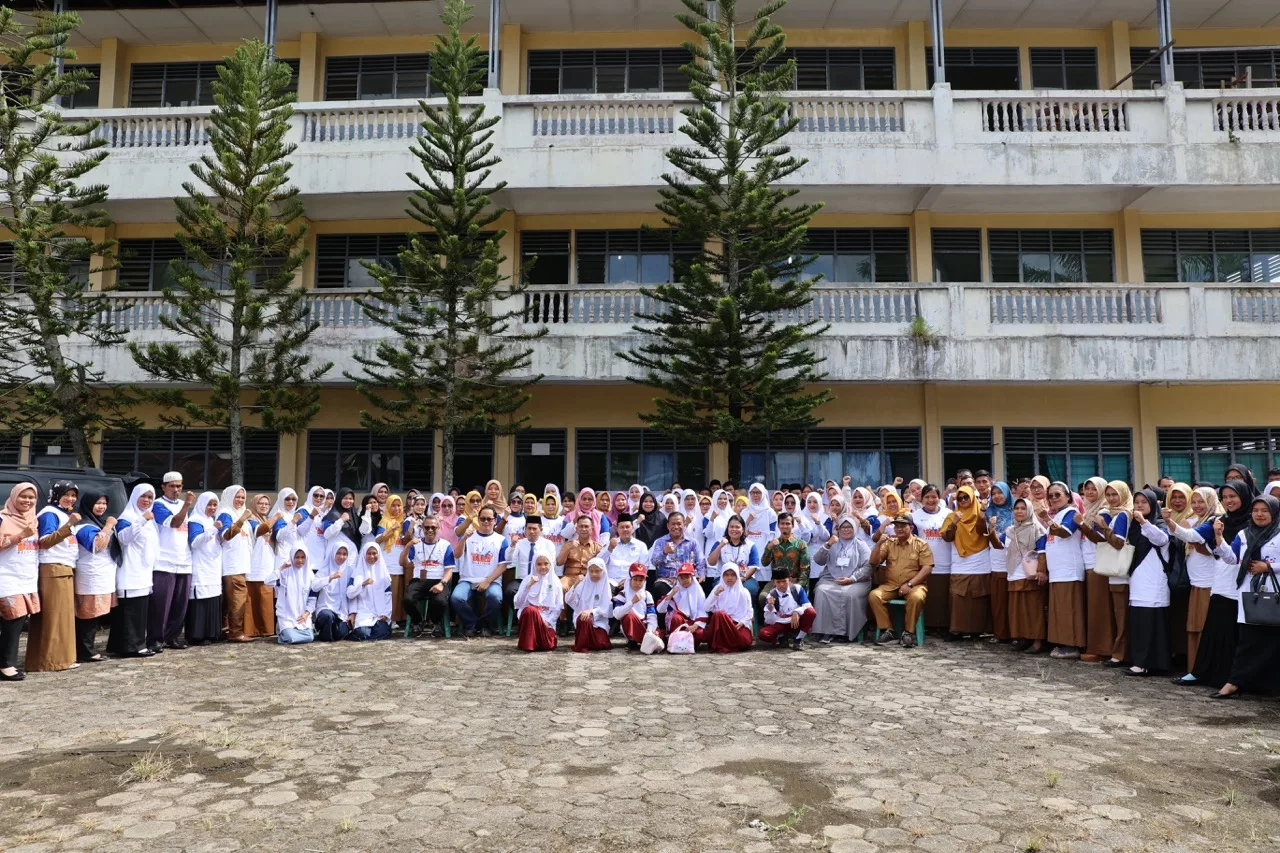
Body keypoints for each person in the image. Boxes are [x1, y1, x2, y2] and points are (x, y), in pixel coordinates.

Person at [1210, 493, 1280, 699]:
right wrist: (1219, 538)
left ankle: (1271, 687)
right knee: (1247, 640)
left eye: (1265, 510)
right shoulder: (1244, 534)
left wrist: (1269, 567)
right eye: (1256, 510)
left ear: (1274, 512)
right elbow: (1232, 559)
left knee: (1273, 642)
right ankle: (1234, 683)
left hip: (1274, 594)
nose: (1259, 514)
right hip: (1250, 594)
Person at [27, 480, 81, 673]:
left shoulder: (61, 514)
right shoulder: (50, 513)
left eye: (73, 495)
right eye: (66, 494)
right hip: (53, 568)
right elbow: (45, 541)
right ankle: (50, 661)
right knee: (54, 618)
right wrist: (69, 526)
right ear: (56, 495)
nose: (70, 498)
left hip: (63, 568)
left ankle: (61, 659)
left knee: (63, 617)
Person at [1119, 489, 1172, 676]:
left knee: (1152, 623)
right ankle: (1141, 661)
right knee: (1140, 622)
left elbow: (1162, 539)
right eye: (1137, 501)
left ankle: (1151, 663)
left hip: (1154, 581)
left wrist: (1144, 522)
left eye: (1144, 502)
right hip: (1137, 581)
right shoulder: (1133, 527)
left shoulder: (1158, 524)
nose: (1139, 505)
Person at [1036, 481, 1086, 660]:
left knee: (1069, 609)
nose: (1054, 498)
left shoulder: (1071, 512)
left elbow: (1065, 532)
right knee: (1059, 609)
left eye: (1058, 495)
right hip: (1057, 571)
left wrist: (1047, 519)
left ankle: (1072, 645)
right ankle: (1062, 642)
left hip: (1069, 570)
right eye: (1051, 496)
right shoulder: (1056, 515)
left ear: (1068, 496)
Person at [868, 513, 932, 648]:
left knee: (916, 597)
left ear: (911, 527)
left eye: (903, 526)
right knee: (874, 596)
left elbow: (927, 568)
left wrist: (910, 584)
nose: (899, 529)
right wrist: (879, 544)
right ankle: (888, 630)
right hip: (891, 585)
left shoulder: (921, 544)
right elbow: (874, 562)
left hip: (915, 584)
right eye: (896, 526)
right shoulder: (889, 543)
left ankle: (908, 633)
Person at [109, 484, 158, 659]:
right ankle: (130, 646)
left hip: (143, 571)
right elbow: (124, 538)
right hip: (129, 570)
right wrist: (142, 520)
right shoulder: (128, 517)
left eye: (150, 497)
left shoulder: (150, 519)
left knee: (140, 610)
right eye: (143, 496)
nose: (147, 500)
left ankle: (135, 643)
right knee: (129, 611)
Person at [150, 472, 196, 653]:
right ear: (163, 487)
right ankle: (155, 639)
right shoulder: (158, 505)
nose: (176, 490)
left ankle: (173, 637)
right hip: (164, 561)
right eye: (172, 486)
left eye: (179, 486)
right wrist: (187, 504)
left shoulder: (183, 506)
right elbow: (175, 523)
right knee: (161, 604)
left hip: (183, 560)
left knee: (179, 604)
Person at [70, 491, 118, 663]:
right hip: (90, 576)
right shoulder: (83, 525)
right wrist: (108, 526)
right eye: (98, 503)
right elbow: (96, 546)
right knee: (87, 615)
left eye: (104, 503)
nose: (102, 506)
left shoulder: (96, 522)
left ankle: (87, 648)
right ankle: (85, 651)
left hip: (101, 575)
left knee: (94, 615)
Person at [0, 484, 40, 680]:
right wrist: (20, 535)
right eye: (23, 496)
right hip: (6, 577)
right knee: (13, 620)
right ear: (14, 497)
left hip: (26, 577)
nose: (27, 501)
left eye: (31, 497)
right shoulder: (3, 518)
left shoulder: (34, 520)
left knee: (18, 621)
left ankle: (7, 662)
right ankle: (6, 665)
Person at [997, 497, 1048, 654]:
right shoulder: (1010, 530)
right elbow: (997, 544)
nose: (1019, 511)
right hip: (1014, 573)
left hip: (1030, 575)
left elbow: (1042, 551)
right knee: (1018, 610)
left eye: (1023, 508)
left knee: (1033, 609)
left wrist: (1041, 570)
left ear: (1029, 510)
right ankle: (1023, 638)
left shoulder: (1037, 529)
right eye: (1016, 508)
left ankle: (1038, 641)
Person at [811, 516, 873, 643]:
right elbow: (818, 560)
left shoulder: (861, 544)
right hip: (831, 578)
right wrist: (827, 545)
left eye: (849, 527)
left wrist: (852, 579)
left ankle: (846, 632)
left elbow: (868, 566)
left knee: (849, 594)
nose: (846, 530)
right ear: (838, 529)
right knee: (822, 591)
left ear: (855, 528)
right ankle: (826, 632)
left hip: (857, 580)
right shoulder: (832, 543)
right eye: (843, 527)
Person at [941, 485, 990, 639]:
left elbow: (983, 532)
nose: (963, 500)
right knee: (957, 596)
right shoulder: (952, 516)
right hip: (960, 560)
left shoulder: (981, 513)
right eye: (960, 498)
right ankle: (956, 630)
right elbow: (947, 537)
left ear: (972, 498)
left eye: (966, 497)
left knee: (979, 596)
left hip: (980, 559)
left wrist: (982, 514)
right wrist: (955, 522)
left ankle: (977, 630)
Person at [451, 507, 507, 637]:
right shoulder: (469, 536)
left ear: (495, 521)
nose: (486, 521)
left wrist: (487, 581)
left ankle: (486, 625)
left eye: (489, 519)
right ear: (478, 519)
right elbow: (456, 554)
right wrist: (464, 538)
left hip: (491, 581)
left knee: (496, 597)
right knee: (456, 598)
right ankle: (472, 624)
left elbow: (503, 566)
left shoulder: (501, 540)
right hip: (468, 579)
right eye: (482, 518)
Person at [1075, 476, 1111, 662]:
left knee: (1099, 609)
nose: (1089, 492)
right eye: (1086, 489)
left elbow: (1100, 538)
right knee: (1092, 607)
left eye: (1093, 489)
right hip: (1087, 563)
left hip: (1098, 563)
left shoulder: (1103, 511)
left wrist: (1082, 524)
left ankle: (1101, 649)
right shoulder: (1087, 509)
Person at [400, 516, 456, 636]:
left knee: (440, 601)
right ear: (422, 528)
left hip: (438, 580)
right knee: (408, 599)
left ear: (438, 528)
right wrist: (408, 546)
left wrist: (442, 583)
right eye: (427, 527)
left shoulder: (446, 545)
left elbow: (449, 569)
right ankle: (418, 621)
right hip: (419, 580)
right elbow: (403, 563)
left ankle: (434, 622)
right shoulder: (416, 544)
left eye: (433, 527)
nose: (430, 530)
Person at [184, 492, 224, 646]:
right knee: (200, 599)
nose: (212, 508)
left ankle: (211, 633)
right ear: (202, 504)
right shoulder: (195, 520)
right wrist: (213, 529)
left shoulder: (211, 520)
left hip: (212, 566)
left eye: (215, 505)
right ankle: (197, 635)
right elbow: (195, 542)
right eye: (209, 504)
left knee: (212, 598)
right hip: (200, 566)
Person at [217, 485, 253, 642]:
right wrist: (243, 518)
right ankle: (236, 633)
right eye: (237, 497)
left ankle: (227, 630)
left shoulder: (237, 513)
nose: (240, 500)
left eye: (242, 497)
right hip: (232, 564)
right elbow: (226, 535)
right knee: (237, 599)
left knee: (232, 600)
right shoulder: (226, 513)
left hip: (239, 563)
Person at [504, 515, 557, 618]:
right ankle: (523, 616)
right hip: (522, 580)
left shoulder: (548, 544)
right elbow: (509, 560)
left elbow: (552, 564)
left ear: (540, 530)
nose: (531, 531)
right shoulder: (519, 543)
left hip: (542, 580)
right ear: (525, 529)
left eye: (534, 529)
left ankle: (539, 618)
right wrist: (512, 546)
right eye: (529, 528)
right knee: (510, 591)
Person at [647, 511, 704, 600]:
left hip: (687, 579)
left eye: (679, 524)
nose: (676, 527)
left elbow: (700, 560)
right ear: (668, 526)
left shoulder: (693, 542)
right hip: (667, 580)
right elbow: (654, 562)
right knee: (658, 588)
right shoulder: (661, 542)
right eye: (673, 524)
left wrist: (701, 574)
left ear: (684, 524)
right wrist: (664, 552)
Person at [244, 494, 277, 639]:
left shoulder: (265, 519)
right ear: (254, 505)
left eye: (266, 504)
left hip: (268, 562)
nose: (264, 506)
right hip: (255, 563)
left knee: (266, 599)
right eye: (260, 503)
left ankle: (266, 629)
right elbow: (260, 530)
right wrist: (275, 518)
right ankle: (252, 630)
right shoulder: (251, 520)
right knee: (254, 599)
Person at [513, 553, 562, 652]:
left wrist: (548, 622)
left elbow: (558, 607)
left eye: (546, 563)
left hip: (546, 621)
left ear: (550, 565)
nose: (543, 567)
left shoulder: (555, 581)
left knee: (548, 646)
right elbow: (518, 603)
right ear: (534, 565)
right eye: (539, 564)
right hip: (529, 620)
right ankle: (529, 644)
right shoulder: (527, 579)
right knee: (531, 610)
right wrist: (529, 585)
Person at [707, 515, 762, 600]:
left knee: (750, 589)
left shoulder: (750, 545)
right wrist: (720, 546)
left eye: (737, 527)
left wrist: (742, 579)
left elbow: (754, 566)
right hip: (723, 577)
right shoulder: (719, 542)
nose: (734, 529)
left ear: (743, 529)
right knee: (721, 590)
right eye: (731, 527)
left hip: (744, 578)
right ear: (727, 528)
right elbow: (711, 562)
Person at [345, 543, 393, 641]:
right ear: (364, 555)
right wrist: (362, 584)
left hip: (379, 613)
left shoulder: (384, 574)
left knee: (383, 632)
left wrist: (386, 614)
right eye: (369, 553)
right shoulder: (357, 573)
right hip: (363, 613)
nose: (372, 556)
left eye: (374, 553)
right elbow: (350, 594)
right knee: (362, 633)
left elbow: (388, 595)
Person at [986, 481, 1015, 642]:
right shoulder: (989, 512)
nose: (997, 496)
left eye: (1000, 493)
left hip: (1015, 561)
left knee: (1014, 601)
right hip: (996, 560)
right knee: (998, 600)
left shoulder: (1016, 511)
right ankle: (1000, 633)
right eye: (994, 493)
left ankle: (1015, 633)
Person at [704, 563, 754, 653]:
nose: (729, 578)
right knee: (720, 614)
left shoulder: (744, 591)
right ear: (722, 576)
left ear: (737, 576)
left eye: (732, 575)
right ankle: (726, 644)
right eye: (726, 575)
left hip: (738, 625)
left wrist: (742, 622)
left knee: (745, 642)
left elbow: (750, 611)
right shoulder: (718, 588)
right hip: (721, 625)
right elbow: (707, 608)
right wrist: (715, 594)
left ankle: (727, 643)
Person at [566, 557, 613, 652]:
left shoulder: (606, 586)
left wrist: (591, 611)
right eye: (591, 571)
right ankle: (582, 646)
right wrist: (575, 584)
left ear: (602, 571)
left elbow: (607, 609)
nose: (594, 574)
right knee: (585, 619)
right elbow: (568, 600)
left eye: (597, 571)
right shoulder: (583, 584)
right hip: (583, 620)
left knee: (601, 644)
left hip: (599, 623)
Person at [272, 544, 316, 644]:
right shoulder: (285, 573)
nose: (300, 560)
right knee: (291, 637)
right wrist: (281, 568)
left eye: (302, 557)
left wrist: (307, 613)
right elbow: (268, 582)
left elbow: (312, 598)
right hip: (287, 616)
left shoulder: (310, 575)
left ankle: (288, 634)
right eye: (297, 557)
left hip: (303, 616)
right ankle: (285, 631)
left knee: (310, 637)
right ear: (292, 557)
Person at [313, 535, 354, 642]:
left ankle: (331, 631)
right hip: (326, 608)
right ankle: (325, 635)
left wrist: (352, 612)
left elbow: (352, 593)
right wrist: (330, 578)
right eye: (339, 553)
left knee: (341, 633)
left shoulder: (349, 570)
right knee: (327, 616)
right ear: (333, 554)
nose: (342, 557)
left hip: (341, 611)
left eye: (345, 554)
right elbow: (314, 586)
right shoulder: (325, 568)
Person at [759, 572, 816, 650]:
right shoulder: (771, 595)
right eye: (778, 582)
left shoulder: (797, 589)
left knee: (811, 612)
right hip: (781, 622)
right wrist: (770, 606)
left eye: (784, 581)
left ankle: (799, 639)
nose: (782, 584)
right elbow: (769, 621)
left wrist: (796, 611)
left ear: (790, 580)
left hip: (795, 621)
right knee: (764, 634)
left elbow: (807, 605)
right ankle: (782, 637)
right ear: (774, 582)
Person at [761, 512, 811, 600]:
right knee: (763, 597)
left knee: (792, 598)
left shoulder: (801, 544)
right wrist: (769, 547)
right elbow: (764, 563)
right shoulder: (772, 543)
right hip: (777, 583)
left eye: (788, 523)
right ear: (778, 525)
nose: (785, 526)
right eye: (782, 523)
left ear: (792, 526)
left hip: (795, 582)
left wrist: (797, 586)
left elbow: (805, 570)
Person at [656, 562, 708, 646]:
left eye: (687, 577)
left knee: (700, 634)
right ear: (678, 579)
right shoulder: (675, 590)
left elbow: (702, 611)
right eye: (682, 578)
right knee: (676, 618)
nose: (684, 580)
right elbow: (660, 609)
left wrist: (695, 625)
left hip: (694, 623)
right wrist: (671, 594)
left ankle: (689, 644)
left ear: (692, 577)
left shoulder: (698, 592)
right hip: (680, 623)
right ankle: (675, 643)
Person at [612, 564, 659, 649]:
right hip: (629, 625)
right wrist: (631, 602)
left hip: (644, 627)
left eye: (641, 580)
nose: (638, 583)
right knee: (629, 615)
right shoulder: (623, 594)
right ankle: (632, 640)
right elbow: (616, 614)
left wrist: (650, 630)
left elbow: (652, 615)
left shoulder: (646, 595)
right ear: (630, 579)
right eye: (635, 579)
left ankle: (645, 640)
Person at [379, 494, 408, 626]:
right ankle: (388, 619)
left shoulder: (404, 522)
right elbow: (377, 539)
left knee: (400, 593)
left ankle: (399, 619)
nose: (396, 508)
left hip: (402, 563)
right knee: (390, 593)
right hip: (389, 563)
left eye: (399, 505)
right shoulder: (384, 521)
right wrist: (391, 530)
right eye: (393, 505)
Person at [601, 513, 648, 592]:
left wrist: (628, 580)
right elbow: (600, 563)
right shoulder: (611, 544)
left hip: (632, 582)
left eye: (627, 527)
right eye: (622, 527)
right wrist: (609, 549)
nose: (625, 529)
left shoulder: (641, 546)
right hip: (611, 582)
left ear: (633, 528)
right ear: (617, 529)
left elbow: (644, 568)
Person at [557, 514, 603, 591]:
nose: (583, 529)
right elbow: (559, 563)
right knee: (560, 587)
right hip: (569, 577)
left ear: (592, 528)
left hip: (588, 578)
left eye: (586, 526)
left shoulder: (597, 547)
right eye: (581, 526)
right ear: (576, 528)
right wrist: (569, 549)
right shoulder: (569, 544)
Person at [742, 484, 777, 568]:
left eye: (758, 492)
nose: (755, 495)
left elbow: (772, 533)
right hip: (748, 544)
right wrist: (748, 520)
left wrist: (767, 549)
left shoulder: (770, 512)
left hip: (764, 544)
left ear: (763, 494)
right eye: (752, 492)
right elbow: (741, 532)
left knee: (763, 571)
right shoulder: (744, 512)